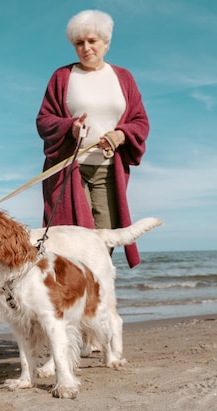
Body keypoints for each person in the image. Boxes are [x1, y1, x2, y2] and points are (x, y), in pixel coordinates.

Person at [36, 9, 149, 268]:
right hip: (68, 170)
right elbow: (44, 120)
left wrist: (120, 135)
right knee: (70, 239)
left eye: (92, 41)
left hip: (108, 170)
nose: (86, 48)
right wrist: (71, 127)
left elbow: (140, 122)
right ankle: (73, 300)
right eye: (79, 43)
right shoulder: (62, 77)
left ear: (106, 43)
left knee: (104, 239)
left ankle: (94, 297)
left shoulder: (123, 77)